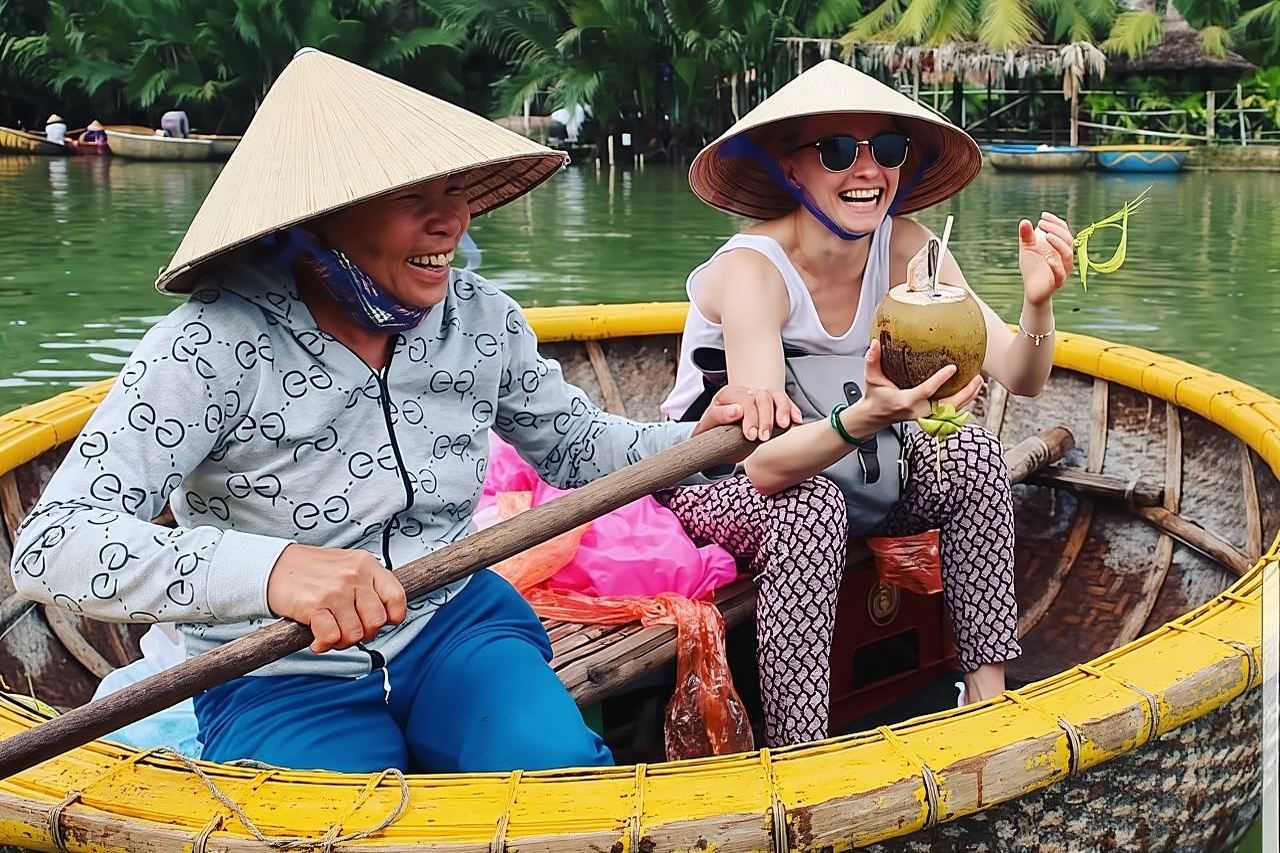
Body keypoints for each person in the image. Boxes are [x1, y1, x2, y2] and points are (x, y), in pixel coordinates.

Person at [9, 49, 768, 775]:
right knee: (343, 827)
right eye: (413, 197)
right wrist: (273, 571)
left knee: (553, 772)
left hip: (453, 620)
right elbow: (53, 543)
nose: (451, 223)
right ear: (317, 216)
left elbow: (574, 446)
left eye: (456, 192)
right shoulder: (210, 346)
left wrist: (693, 439)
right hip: (276, 661)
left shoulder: (480, 319)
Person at [658, 60, 1076, 747]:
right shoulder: (753, 271)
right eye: (836, 152)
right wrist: (874, 413)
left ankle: (984, 698)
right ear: (793, 170)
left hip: (857, 463)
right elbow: (763, 469)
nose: (866, 170)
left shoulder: (909, 247)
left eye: (884, 150)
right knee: (809, 505)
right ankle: (802, 752)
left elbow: (1019, 374)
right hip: (720, 480)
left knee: (971, 451)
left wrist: (1038, 300)